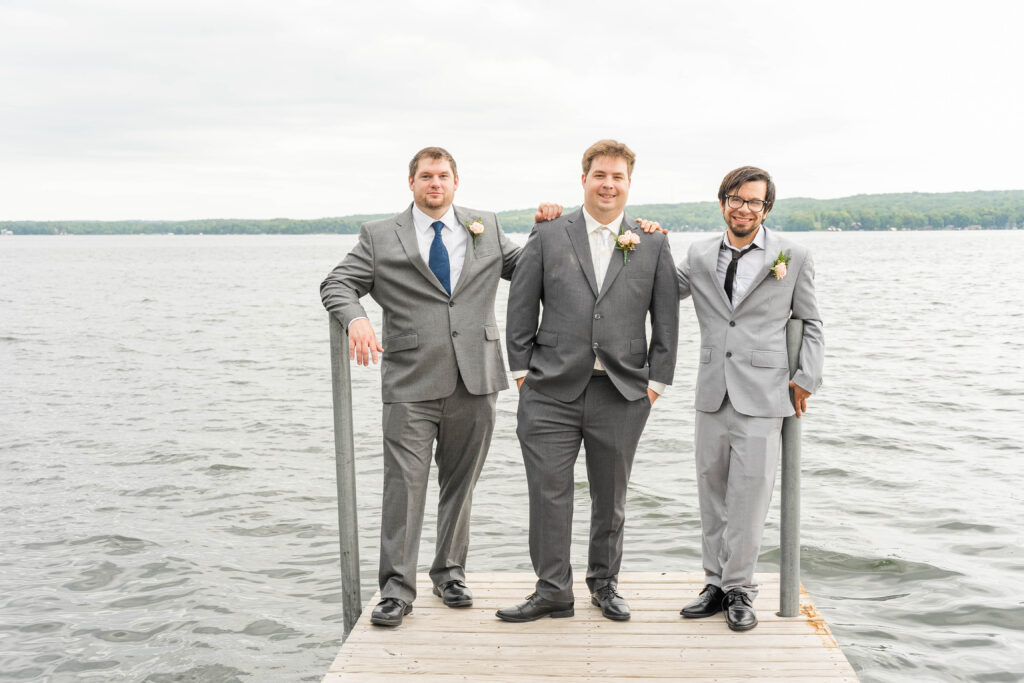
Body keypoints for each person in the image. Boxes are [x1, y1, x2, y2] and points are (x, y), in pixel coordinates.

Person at [320, 147, 560, 627]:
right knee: (403, 486)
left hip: (476, 376)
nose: (435, 183)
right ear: (410, 182)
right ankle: (395, 589)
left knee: (460, 483)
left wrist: (546, 229)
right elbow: (337, 283)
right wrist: (356, 320)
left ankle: (450, 573)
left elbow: (530, 269)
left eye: (443, 176)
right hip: (410, 379)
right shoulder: (378, 235)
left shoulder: (485, 226)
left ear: (456, 182)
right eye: (426, 176)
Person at [497, 140, 679, 623]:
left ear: (629, 184)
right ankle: (553, 590)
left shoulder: (653, 241)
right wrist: (522, 375)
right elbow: (520, 306)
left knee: (611, 498)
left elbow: (666, 319)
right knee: (548, 494)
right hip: (549, 390)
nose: (608, 184)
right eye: (600, 175)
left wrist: (657, 382)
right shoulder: (550, 233)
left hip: (622, 392)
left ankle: (604, 584)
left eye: (618, 177)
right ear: (584, 179)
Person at [675, 166, 824, 631]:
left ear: (766, 209)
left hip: (765, 392)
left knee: (751, 494)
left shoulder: (792, 255)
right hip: (712, 389)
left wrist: (807, 378)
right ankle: (714, 584)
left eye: (754, 202)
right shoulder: (699, 254)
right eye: (736, 199)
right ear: (723, 202)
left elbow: (811, 322)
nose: (744, 208)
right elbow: (658, 290)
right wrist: (642, 240)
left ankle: (741, 588)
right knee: (711, 492)